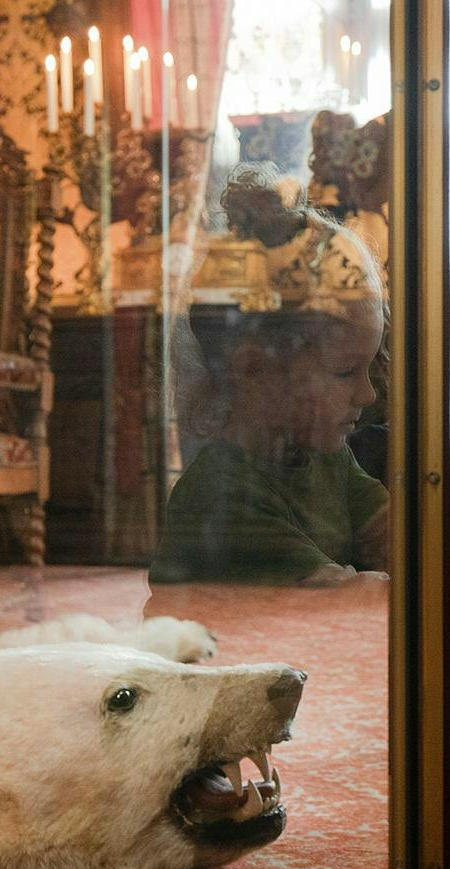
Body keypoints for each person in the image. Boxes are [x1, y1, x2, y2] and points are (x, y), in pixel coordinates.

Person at [150, 166, 392, 586]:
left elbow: (408, 540)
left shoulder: (327, 458)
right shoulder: (222, 495)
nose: (368, 394)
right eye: (344, 371)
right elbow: (349, 604)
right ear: (254, 369)